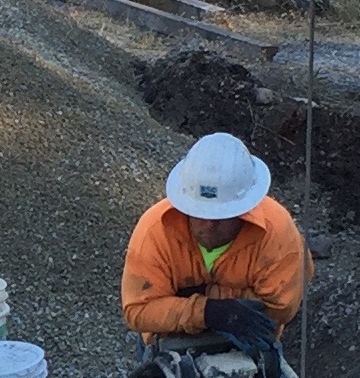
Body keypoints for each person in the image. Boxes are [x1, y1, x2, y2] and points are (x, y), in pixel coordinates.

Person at [121, 132, 307, 365]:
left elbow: (280, 308)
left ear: (244, 209)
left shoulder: (277, 232)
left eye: (222, 216)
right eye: (199, 214)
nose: (209, 224)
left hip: (251, 344)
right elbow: (138, 311)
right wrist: (210, 311)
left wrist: (189, 300)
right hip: (170, 347)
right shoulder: (154, 230)